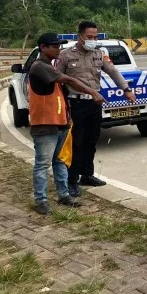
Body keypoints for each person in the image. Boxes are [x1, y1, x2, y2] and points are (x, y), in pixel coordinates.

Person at [56, 21, 136, 197]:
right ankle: (71, 180)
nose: (93, 40)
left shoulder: (99, 54)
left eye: (95, 37)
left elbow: (113, 71)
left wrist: (126, 89)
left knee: (91, 140)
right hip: (75, 104)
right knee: (76, 142)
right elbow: (57, 79)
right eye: (89, 37)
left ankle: (87, 175)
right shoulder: (66, 55)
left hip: (94, 104)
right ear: (80, 36)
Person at [29, 33, 105, 214]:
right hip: (45, 125)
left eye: (59, 46)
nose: (58, 49)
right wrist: (93, 92)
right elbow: (69, 80)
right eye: (54, 46)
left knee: (60, 161)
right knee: (43, 163)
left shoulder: (50, 66)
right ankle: (41, 200)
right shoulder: (39, 66)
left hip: (60, 123)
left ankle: (63, 195)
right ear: (43, 47)